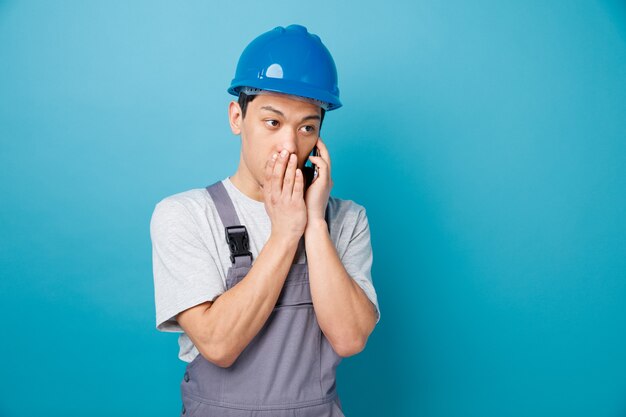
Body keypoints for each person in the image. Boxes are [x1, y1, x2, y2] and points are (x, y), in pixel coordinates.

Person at [150, 24, 381, 417]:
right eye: (272, 123)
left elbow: (349, 338)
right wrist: (286, 232)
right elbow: (219, 345)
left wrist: (314, 223)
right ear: (237, 117)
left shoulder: (347, 219)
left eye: (307, 127)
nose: (290, 146)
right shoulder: (185, 215)